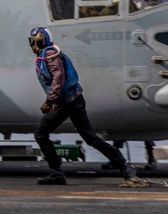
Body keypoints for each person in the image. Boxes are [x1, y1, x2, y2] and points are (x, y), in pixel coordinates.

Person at [29, 26, 148, 187]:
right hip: (63, 103)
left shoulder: (50, 54)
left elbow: (58, 77)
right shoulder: (44, 56)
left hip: (71, 101)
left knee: (89, 137)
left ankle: (126, 167)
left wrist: (49, 101)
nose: (34, 45)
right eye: (32, 42)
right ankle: (56, 174)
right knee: (41, 133)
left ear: (44, 41)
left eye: (38, 41)